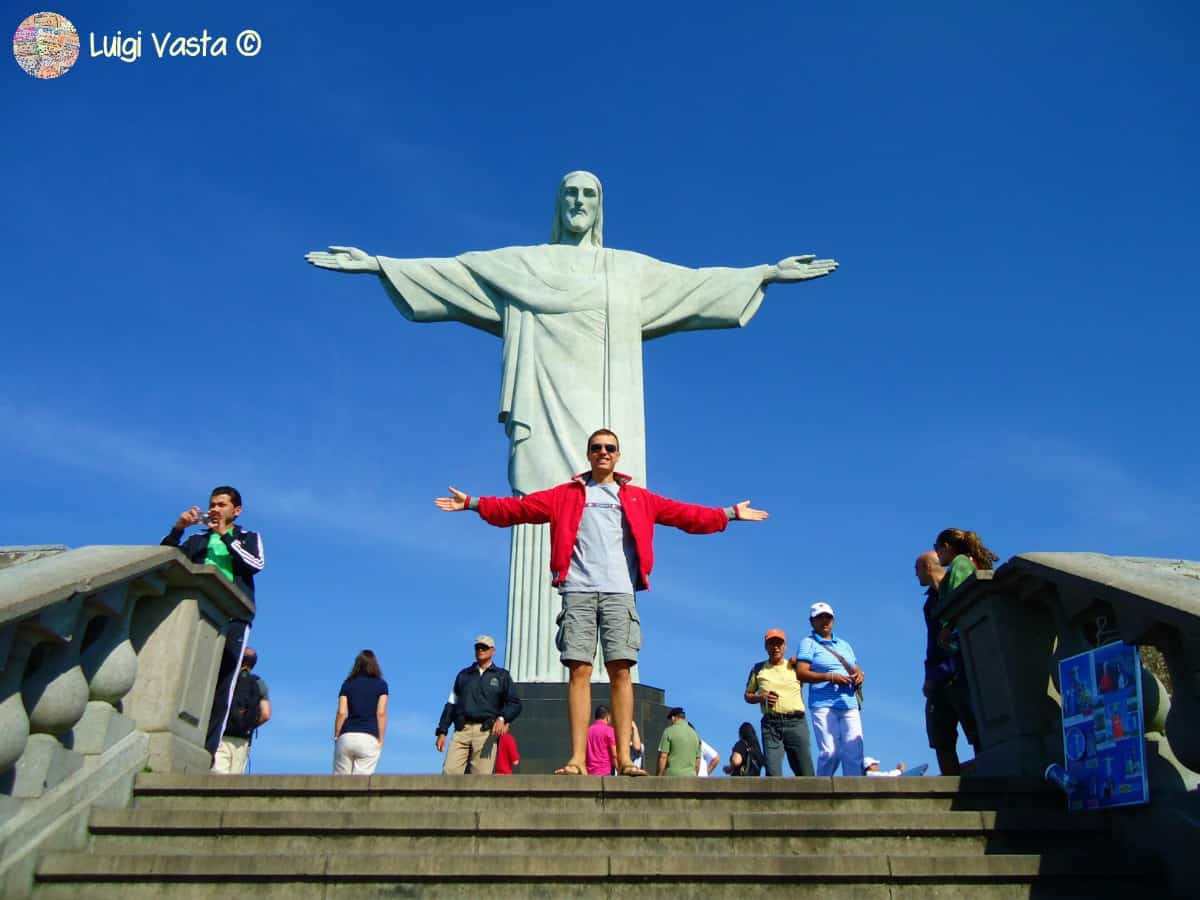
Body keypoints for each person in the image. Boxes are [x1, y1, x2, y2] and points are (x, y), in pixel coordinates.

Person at [307, 170, 837, 684]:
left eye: (589, 193)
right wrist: (379, 265)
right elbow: (456, 273)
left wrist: (764, 273)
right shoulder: (523, 265)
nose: (579, 201)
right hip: (544, 407)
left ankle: (609, 702)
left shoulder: (626, 270)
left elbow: (695, 285)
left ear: (599, 206)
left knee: (616, 574)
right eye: (570, 193)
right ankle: (544, 675)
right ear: (558, 205)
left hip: (612, 402)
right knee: (543, 508)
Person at [435, 428, 767, 777]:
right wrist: (474, 504)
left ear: (618, 455)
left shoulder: (637, 498)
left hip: (619, 591)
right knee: (578, 670)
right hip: (577, 589)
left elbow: (683, 515)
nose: (603, 453)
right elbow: (519, 509)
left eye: (610, 448)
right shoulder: (565, 495)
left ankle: (624, 759)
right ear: (589, 454)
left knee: (621, 671)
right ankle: (577, 758)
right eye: (597, 448)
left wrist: (727, 514)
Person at [161, 485, 265, 758]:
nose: (215, 509)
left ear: (237, 510)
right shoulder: (197, 540)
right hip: (197, 614)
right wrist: (179, 529)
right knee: (186, 676)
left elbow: (255, 564)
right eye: (213, 505)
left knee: (223, 683)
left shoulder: (247, 537)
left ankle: (208, 752)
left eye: (222, 505)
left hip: (234, 617)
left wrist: (225, 537)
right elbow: (164, 562)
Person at [916, 550, 979, 775]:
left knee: (975, 729)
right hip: (939, 675)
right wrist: (929, 676)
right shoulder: (929, 603)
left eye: (917, 569)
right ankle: (951, 784)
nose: (916, 575)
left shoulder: (958, 589)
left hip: (962, 671)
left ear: (927, 567)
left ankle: (989, 780)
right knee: (940, 734)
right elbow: (931, 643)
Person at [795, 603, 866, 777]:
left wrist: (859, 676)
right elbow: (801, 672)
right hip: (823, 703)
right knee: (830, 752)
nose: (825, 621)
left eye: (828, 617)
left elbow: (856, 669)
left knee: (854, 753)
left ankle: (853, 794)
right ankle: (822, 794)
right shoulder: (808, 643)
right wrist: (831, 677)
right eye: (820, 617)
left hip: (848, 703)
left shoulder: (844, 645)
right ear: (812, 622)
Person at [435, 635, 522, 775]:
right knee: (449, 772)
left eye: (484, 647)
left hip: (485, 733)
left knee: (480, 778)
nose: (480, 650)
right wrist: (442, 731)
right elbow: (451, 703)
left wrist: (502, 718)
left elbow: (515, 703)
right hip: (461, 730)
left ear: (493, 651)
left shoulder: (502, 676)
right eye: (478, 647)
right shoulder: (464, 675)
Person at [744, 628, 814, 776]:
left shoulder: (795, 666)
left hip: (796, 722)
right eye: (771, 644)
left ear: (785, 647)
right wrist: (761, 698)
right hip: (771, 725)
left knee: (805, 771)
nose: (775, 647)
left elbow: (814, 671)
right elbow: (748, 695)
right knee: (773, 772)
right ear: (766, 647)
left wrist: (801, 661)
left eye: (779, 644)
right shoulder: (758, 669)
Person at [212, 646, 269, 774]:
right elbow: (266, 714)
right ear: (253, 664)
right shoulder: (259, 684)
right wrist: (247, 725)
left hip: (222, 734)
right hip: (242, 740)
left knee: (217, 776)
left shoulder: (227, 678)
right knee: (235, 780)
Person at [333, 649, 388, 775]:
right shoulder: (381, 685)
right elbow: (381, 713)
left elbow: (341, 712)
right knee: (361, 785)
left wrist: (337, 736)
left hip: (346, 736)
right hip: (369, 737)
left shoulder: (347, 684)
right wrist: (381, 738)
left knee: (340, 783)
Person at [933, 528, 999, 600]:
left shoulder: (961, 563)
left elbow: (957, 599)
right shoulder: (969, 562)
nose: (936, 553)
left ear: (946, 546)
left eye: (936, 548)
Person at [657, 707, 701, 776]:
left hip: (672, 777)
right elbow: (698, 761)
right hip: (691, 777)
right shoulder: (695, 734)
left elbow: (663, 757)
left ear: (673, 718)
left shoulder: (668, 731)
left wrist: (659, 776)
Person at [586, 705, 618, 775]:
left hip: (589, 773)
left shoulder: (587, 731)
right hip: (606, 772)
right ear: (607, 717)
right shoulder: (609, 730)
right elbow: (614, 754)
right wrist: (619, 770)